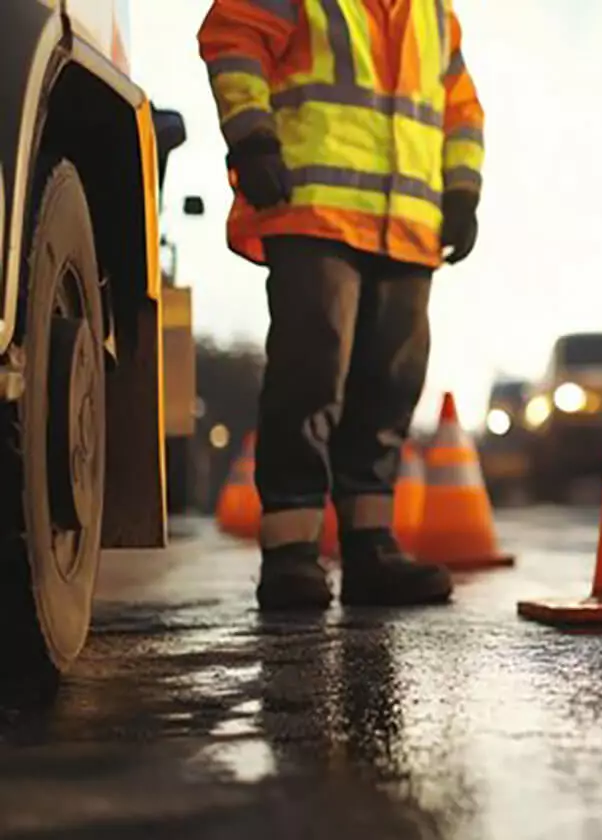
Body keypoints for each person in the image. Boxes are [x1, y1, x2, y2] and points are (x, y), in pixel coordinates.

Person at [198, 0, 485, 611]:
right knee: (310, 375)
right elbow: (234, 38)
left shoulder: (432, 12)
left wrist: (462, 188)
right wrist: (251, 138)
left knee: (389, 387)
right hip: (313, 209)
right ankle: (291, 557)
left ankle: (370, 550)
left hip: (408, 225)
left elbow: (459, 105)